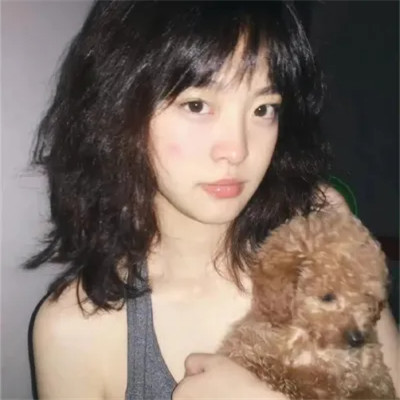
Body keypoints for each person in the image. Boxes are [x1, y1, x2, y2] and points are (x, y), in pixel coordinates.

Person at [29, 1, 399, 399]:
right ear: (118, 107)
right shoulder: (75, 331)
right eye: (197, 105)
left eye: (263, 109)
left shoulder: (324, 245)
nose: (237, 150)